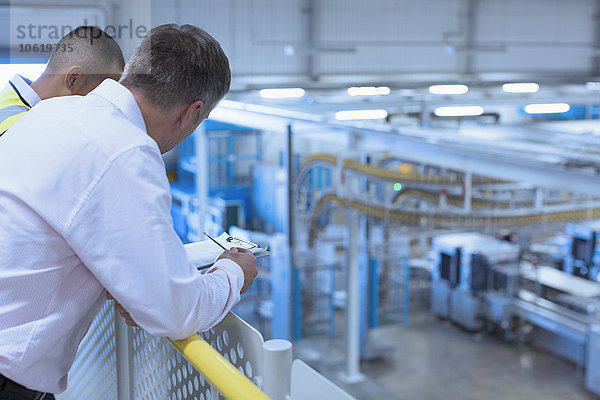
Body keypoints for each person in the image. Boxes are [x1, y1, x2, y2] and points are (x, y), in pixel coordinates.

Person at [0, 23, 257, 399]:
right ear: (191, 113)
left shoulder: (49, 115)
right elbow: (177, 311)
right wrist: (235, 272)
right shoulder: (126, 150)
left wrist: (140, 286)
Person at [0, 26, 125, 136]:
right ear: (73, 79)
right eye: (99, 94)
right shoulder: (17, 129)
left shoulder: (14, 107)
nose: (102, 107)